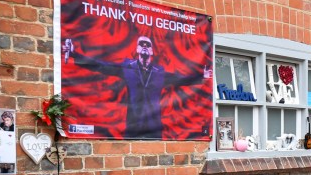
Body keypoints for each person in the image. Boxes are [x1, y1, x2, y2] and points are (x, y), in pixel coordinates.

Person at [63, 36, 206, 139]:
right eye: (141, 43)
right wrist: (75, 54)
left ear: (151, 51)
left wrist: (202, 77)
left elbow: (180, 79)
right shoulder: (127, 67)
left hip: (154, 127)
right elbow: (101, 66)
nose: (144, 46)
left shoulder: (159, 72)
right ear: (137, 48)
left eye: (148, 45)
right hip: (133, 126)